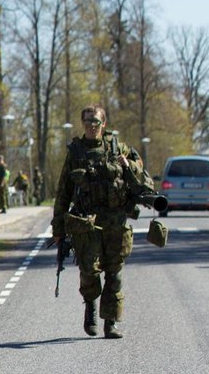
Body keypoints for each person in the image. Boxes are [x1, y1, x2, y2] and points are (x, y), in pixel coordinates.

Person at [52, 105, 151, 339]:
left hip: (116, 222)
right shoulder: (75, 152)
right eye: (87, 122)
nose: (91, 126)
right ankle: (90, 306)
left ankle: (111, 322)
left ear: (103, 124)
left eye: (95, 122)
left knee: (114, 274)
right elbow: (63, 192)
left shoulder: (119, 148)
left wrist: (128, 165)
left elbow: (140, 175)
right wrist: (58, 228)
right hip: (88, 224)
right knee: (89, 271)